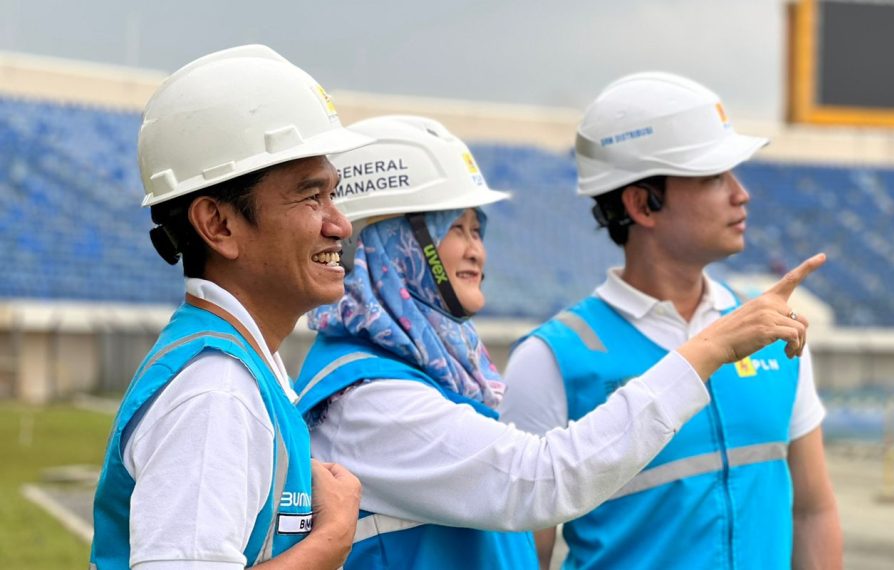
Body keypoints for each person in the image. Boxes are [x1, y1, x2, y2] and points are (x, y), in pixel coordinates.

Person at [293, 115, 824, 569]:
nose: (476, 249)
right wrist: (707, 351)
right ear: (394, 247)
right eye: (455, 228)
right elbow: (540, 480)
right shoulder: (366, 399)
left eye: (479, 229)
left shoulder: (429, 377)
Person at [501, 72, 844, 569]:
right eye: (714, 176)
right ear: (642, 204)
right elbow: (523, 556)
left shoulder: (773, 330)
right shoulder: (550, 359)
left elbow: (813, 510)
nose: (741, 194)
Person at [91, 45, 372, 569]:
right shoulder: (216, 390)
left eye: (334, 194)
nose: (340, 224)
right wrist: (329, 541)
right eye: (311, 197)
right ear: (218, 225)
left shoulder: (236, 370)